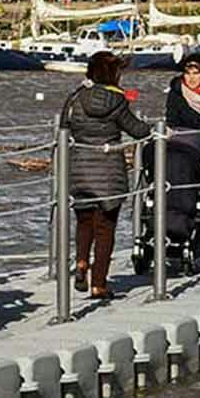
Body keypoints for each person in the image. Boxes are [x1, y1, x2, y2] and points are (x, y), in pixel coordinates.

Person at [62, 52, 151, 299]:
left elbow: (64, 129)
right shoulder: (116, 100)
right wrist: (154, 130)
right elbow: (136, 129)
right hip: (108, 169)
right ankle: (99, 284)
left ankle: (81, 262)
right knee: (105, 228)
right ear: (113, 74)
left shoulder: (76, 98)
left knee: (83, 221)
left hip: (80, 166)